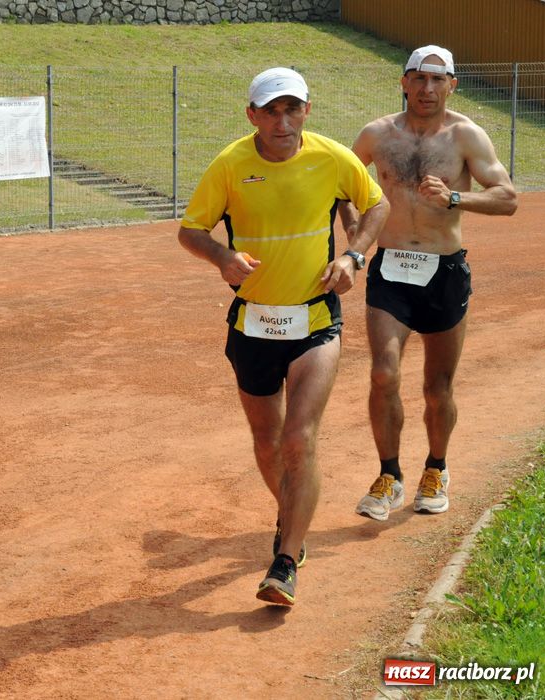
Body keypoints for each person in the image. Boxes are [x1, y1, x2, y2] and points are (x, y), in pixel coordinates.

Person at [178, 67, 389, 607]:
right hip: (252, 322)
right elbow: (191, 230)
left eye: (292, 108)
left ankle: (286, 559)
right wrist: (222, 257)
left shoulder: (331, 157)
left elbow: (376, 205)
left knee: (299, 439)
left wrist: (353, 255)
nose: (282, 120)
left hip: (315, 319)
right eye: (270, 110)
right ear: (251, 115)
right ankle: (292, 513)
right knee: (268, 441)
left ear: (306, 111)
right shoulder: (229, 165)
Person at [343, 46, 517, 522]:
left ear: (452, 85)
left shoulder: (467, 136)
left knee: (437, 387)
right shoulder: (376, 135)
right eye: (419, 79)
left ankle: (436, 469)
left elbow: (507, 198)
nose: (427, 89)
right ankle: (388, 476)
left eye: (438, 80)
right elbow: (343, 187)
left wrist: (456, 198)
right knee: (384, 373)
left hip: (443, 271)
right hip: (390, 269)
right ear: (403, 82)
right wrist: (357, 238)